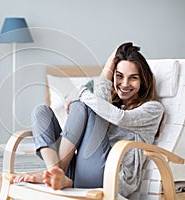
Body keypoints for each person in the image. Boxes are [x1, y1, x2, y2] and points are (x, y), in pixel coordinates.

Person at [11, 42, 164, 198]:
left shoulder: (153, 109)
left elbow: (118, 116)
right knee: (41, 112)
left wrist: (79, 91)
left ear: (143, 80)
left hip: (112, 175)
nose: (124, 84)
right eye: (119, 76)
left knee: (82, 105)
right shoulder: (111, 104)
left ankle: (57, 171)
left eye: (133, 78)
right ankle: (54, 170)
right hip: (82, 168)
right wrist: (105, 72)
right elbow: (102, 105)